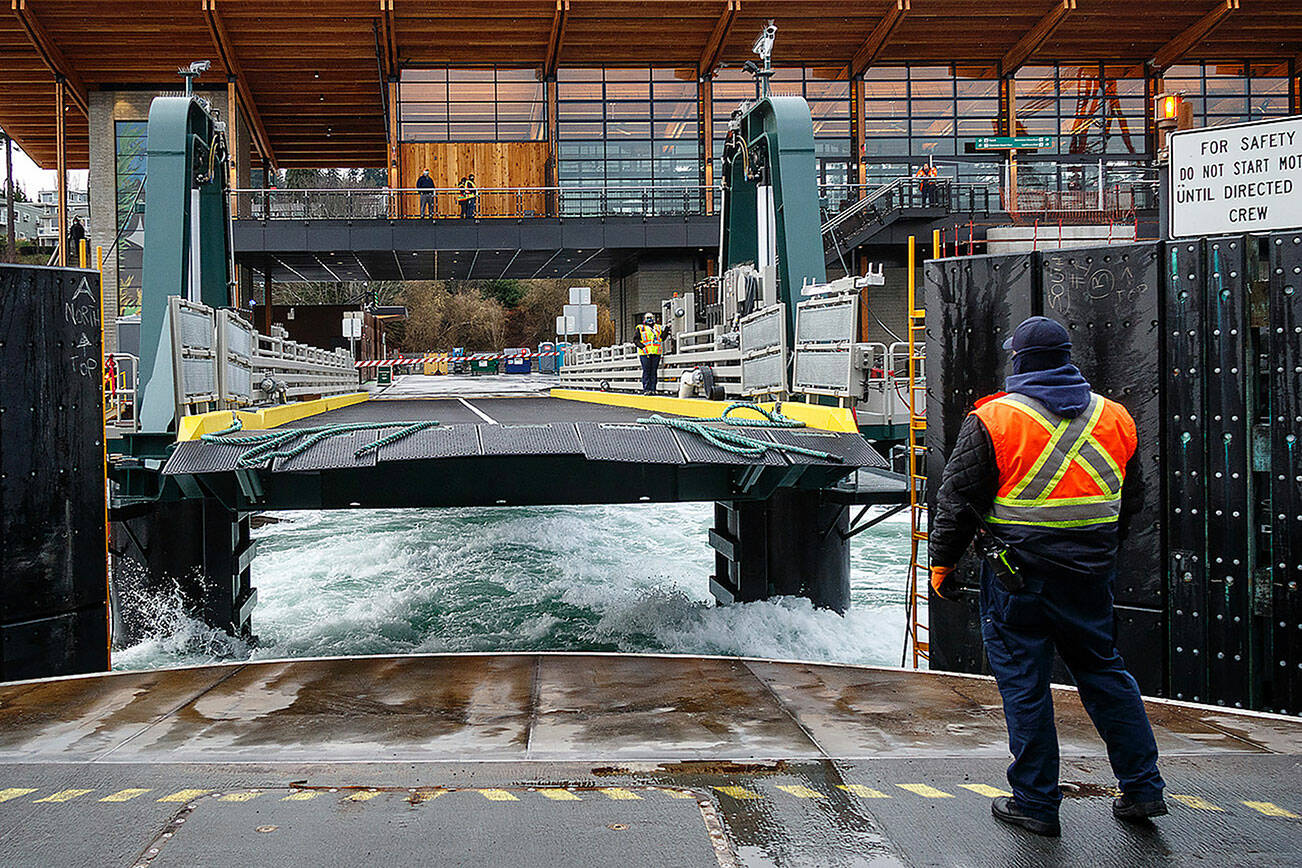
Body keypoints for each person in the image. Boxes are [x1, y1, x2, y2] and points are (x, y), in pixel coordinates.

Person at [928, 315, 1165, 839]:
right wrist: (1099, 549)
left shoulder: (995, 419)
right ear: (1066, 358)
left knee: (1025, 683)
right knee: (1104, 671)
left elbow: (958, 501)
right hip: (1089, 576)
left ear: (1020, 362)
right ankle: (1143, 787)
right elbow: (1134, 499)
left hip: (1019, 581)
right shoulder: (1116, 417)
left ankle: (1035, 801)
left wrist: (942, 564)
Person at [635, 312, 669, 395]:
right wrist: (642, 346)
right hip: (645, 353)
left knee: (653, 371)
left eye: (651, 317)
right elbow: (636, 340)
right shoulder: (640, 328)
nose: (650, 319)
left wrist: (667, 329)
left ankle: (653, 389)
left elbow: (662, 338)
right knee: (646, 371)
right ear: (644, 319)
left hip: (656, 352)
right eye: (648, 317)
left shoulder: (657, 327)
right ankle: (646, 389)